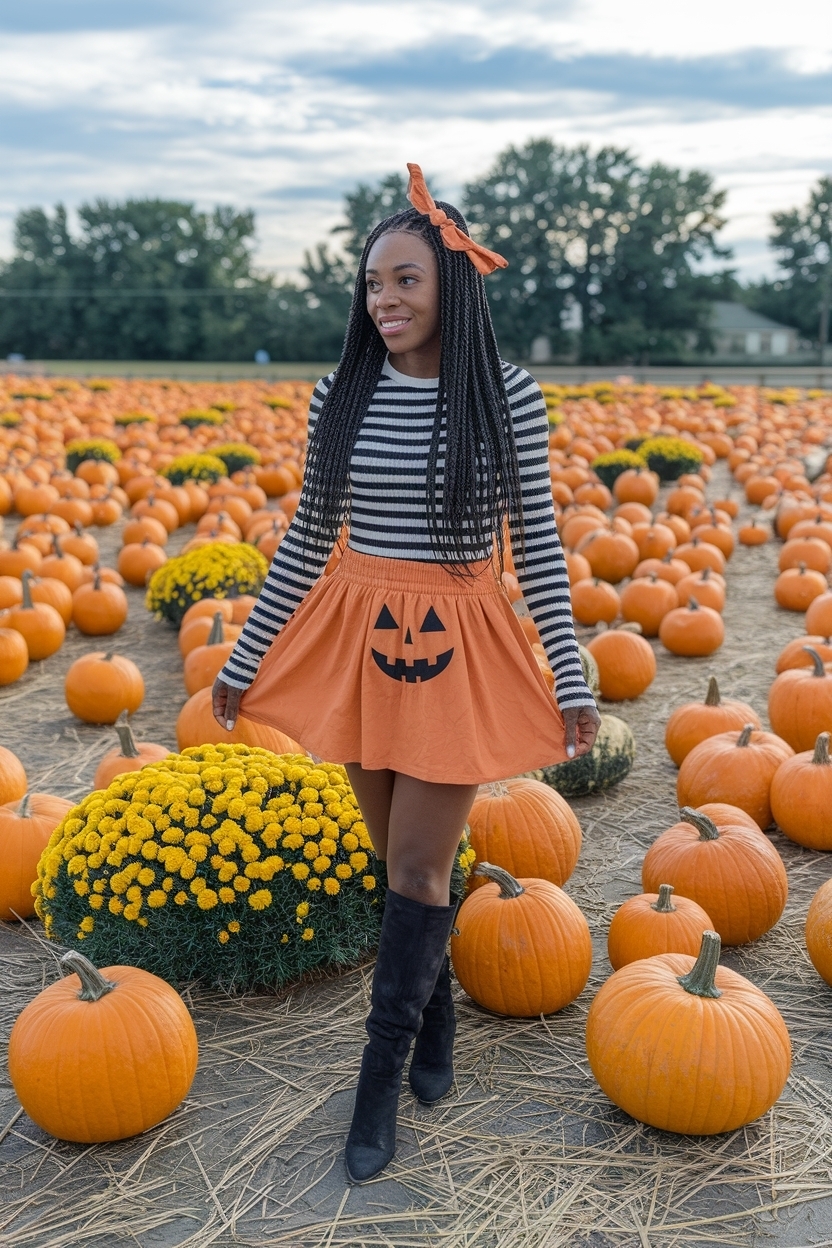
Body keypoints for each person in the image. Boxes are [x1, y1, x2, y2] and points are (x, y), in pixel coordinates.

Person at [212, 164, 601, 1184]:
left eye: (405, 281)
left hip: (455, 647)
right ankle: (434, 1030)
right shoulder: (337, 393)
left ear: (451, 288)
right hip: (358, 635)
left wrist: (571, 673)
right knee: (399, 869)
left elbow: (542, 547)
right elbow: (304, 537)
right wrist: (245, 658)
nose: (383, 300)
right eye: (371, 284)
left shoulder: (503, 396)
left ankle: (376, 1081)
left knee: (423, 869)